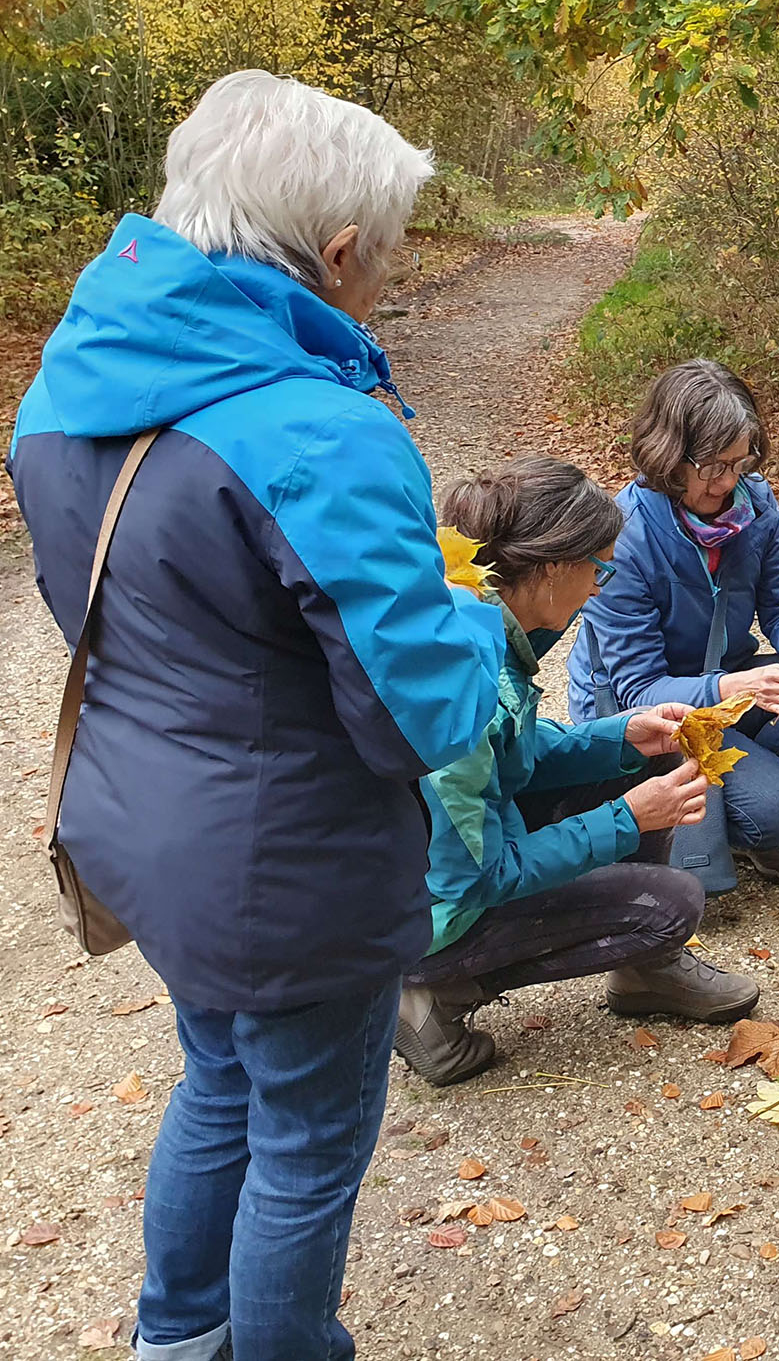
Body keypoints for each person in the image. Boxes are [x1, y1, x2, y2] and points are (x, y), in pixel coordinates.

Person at [7, 71, 502, 1361]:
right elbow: (426, 717)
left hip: (143, 823)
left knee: (218, 1079)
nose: (385, 278)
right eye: (385, 256)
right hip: (288, 871)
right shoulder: (317, 435)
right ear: (337, 254)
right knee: (306, 1147)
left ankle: (175, 1337)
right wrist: (476, 616)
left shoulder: (67, 387)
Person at [399, 457, 763, 1086]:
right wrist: (627, 820)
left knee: (643, 759)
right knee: (673, 903)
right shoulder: (468, 676)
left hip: (446, 861)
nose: (600, 586)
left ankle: (645, 967)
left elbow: (515, 752)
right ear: (548, 570)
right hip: (421, 913)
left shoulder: (476, 619)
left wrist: (620, 736)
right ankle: (429, 993)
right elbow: (475, 877)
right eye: (597, 568)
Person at [568, 359, 779, 895]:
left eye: (739, 463)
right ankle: (712, 814)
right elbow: (637, 687)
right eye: (714, 467)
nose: (728, 482)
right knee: (739, 849)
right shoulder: (623, 535)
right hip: (645, 712)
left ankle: (737, 812)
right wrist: (739, 685)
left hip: (722, 686)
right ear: (670, 457)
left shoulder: (755, 503)